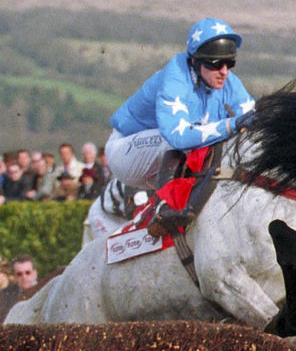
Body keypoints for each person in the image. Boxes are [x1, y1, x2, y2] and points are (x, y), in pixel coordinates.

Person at [105, 17, 255, 232]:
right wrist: (231, 124)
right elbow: (178, 136)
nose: (224, 71)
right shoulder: (175, 77)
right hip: (127, 152)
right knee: (180, 142)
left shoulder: (228, 81)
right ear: (195, 61)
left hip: (161, 159)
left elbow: (253, 118)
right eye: (215, 64)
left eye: (229, 63)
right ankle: (164, 209)